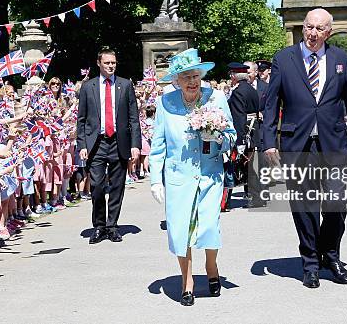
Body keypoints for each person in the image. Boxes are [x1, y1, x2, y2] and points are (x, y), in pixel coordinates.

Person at [263, 8, 347, 289]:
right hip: (298, 144)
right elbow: (271, 104)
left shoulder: (340, 59)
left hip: (333, 143)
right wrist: (269, 142)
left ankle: (331, 254)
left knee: (336, 203)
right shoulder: (284, 59)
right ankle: (310, 262)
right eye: (309, 27)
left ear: (328, 32)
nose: (312, 33)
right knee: (303, 206)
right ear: (303, 28)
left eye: (319, 29)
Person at [149, 48, 236, 306]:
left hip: (209, 174)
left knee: (209, 226)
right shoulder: (166, 103)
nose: (192, 81)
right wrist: (155, 179)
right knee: (180, 231)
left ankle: (211, 267)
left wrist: (218, 137)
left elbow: (231, 136)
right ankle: (187, 281)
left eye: (195, 75)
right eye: (186, 76)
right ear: (176, 80)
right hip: (179, 176)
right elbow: (158, 145)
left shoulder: (216, 98)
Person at [77, 49, 141, 244]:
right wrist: (82, 144)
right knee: (96, 186)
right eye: (107, 63)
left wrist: (135, 145)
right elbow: (81, 119)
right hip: (96, 142)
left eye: (113, 63)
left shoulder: (125, 85)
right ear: (99, 63)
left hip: (118, 142)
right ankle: (99, 226)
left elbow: (134, 118)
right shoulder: (88, 87)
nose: (111, 66)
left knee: (117, 186)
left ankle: (112, 226)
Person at [227, 62, 264, 208]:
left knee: (248, 167)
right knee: (253, 166)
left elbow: (239, 117)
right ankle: (255, 197)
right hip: (253, 129)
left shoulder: (238, 92)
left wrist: (240, 139)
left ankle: (255, 198)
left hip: (246, 131)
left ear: (234, 76)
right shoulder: (249, 89)